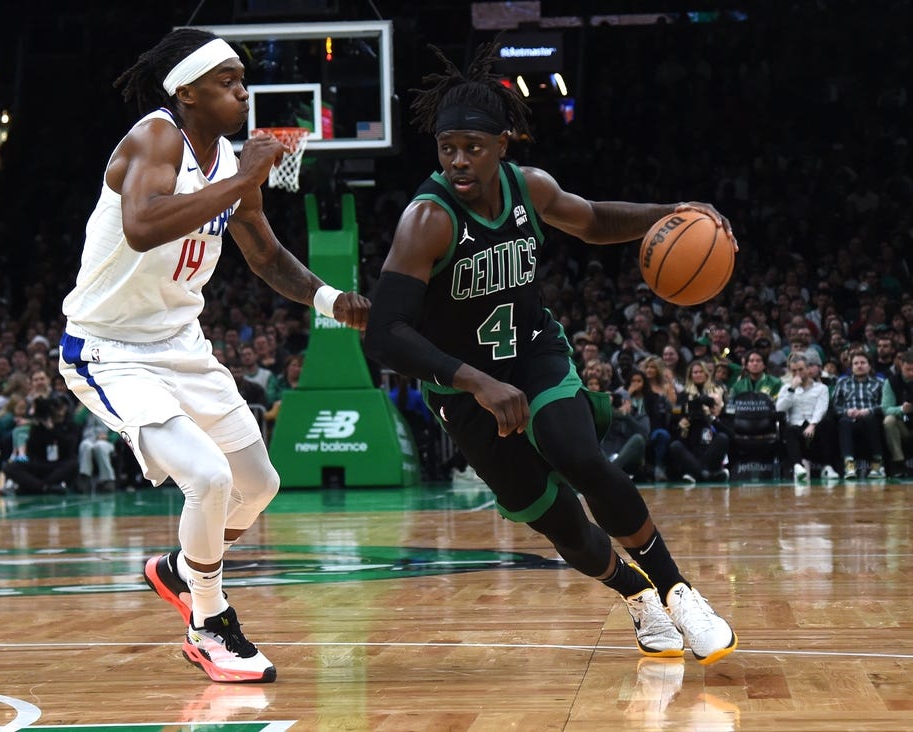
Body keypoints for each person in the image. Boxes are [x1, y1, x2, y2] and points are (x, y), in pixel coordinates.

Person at [363, 41, 736, 665]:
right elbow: (384, 333)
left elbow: (591, 221)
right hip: (464, 390)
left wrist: (672, 214)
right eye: (447, 147)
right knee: (557, 521)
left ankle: (678, 589)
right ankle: (635, 595)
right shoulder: (426, 220)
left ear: (502, 144)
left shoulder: (529, 189)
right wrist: (476, 382)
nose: (458, 160)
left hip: (536, 354)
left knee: (578, 454)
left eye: (473, 148)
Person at [57, 27, 369, 684]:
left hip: (180, 345)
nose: (242, 90)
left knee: (259, 484)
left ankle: (178, 568)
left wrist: (332, 302)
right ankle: (208, 623)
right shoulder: (156, 136)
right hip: (109, 350)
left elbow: (262, 253)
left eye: (240, 79)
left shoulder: (230, 159)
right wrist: (246, 179)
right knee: (208, 477)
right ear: (189, 92)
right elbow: (143, 227)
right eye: (227, 81)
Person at [668, 361, 731, 483]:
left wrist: (713, 411)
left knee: (723, 438)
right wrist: (684, 416)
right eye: (695, 372)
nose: (698, 374)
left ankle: (696, 473)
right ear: (690, 375)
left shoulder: (717, 391)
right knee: (675, 446)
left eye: (701, 371)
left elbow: (723, 413)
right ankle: (706, 474)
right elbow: (674, 412)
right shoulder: (683, 394)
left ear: (707, 374)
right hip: (690, 435)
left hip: (711, 433)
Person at [775, 354, 831, 482]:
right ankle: (798, 466)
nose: (798, 373)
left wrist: (813, 424)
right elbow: (780, 408)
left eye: (801, 369)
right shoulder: (786, 388)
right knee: (789, 430)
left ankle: (828, 466)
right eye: (794, 370)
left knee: (827, 423)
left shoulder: (822, 388)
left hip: (816, 426)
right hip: (796, 427)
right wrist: (792, 388)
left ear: (808, 369)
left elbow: (821, 409)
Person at [831, 352, 886, 479]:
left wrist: (869, 410)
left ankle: (877, 465)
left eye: (863, 363)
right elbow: (834, 406)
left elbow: (885, 404)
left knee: (871, 419)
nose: (859, 366)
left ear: (869, 366)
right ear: (851, 367)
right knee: (844, 422)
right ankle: (849, 464)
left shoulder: (880, 383)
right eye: (856, 363)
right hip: (850, 419)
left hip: (871, 418)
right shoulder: (842, 383)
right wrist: (846, 411)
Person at [881, 349, 913, 479]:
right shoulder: (891, 382)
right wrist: (901, 409)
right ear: (901, 366)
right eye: (908, 369)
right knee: (889, 420)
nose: (912, 373)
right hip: (904, 426)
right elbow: (886, 408)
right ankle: (898, 463)